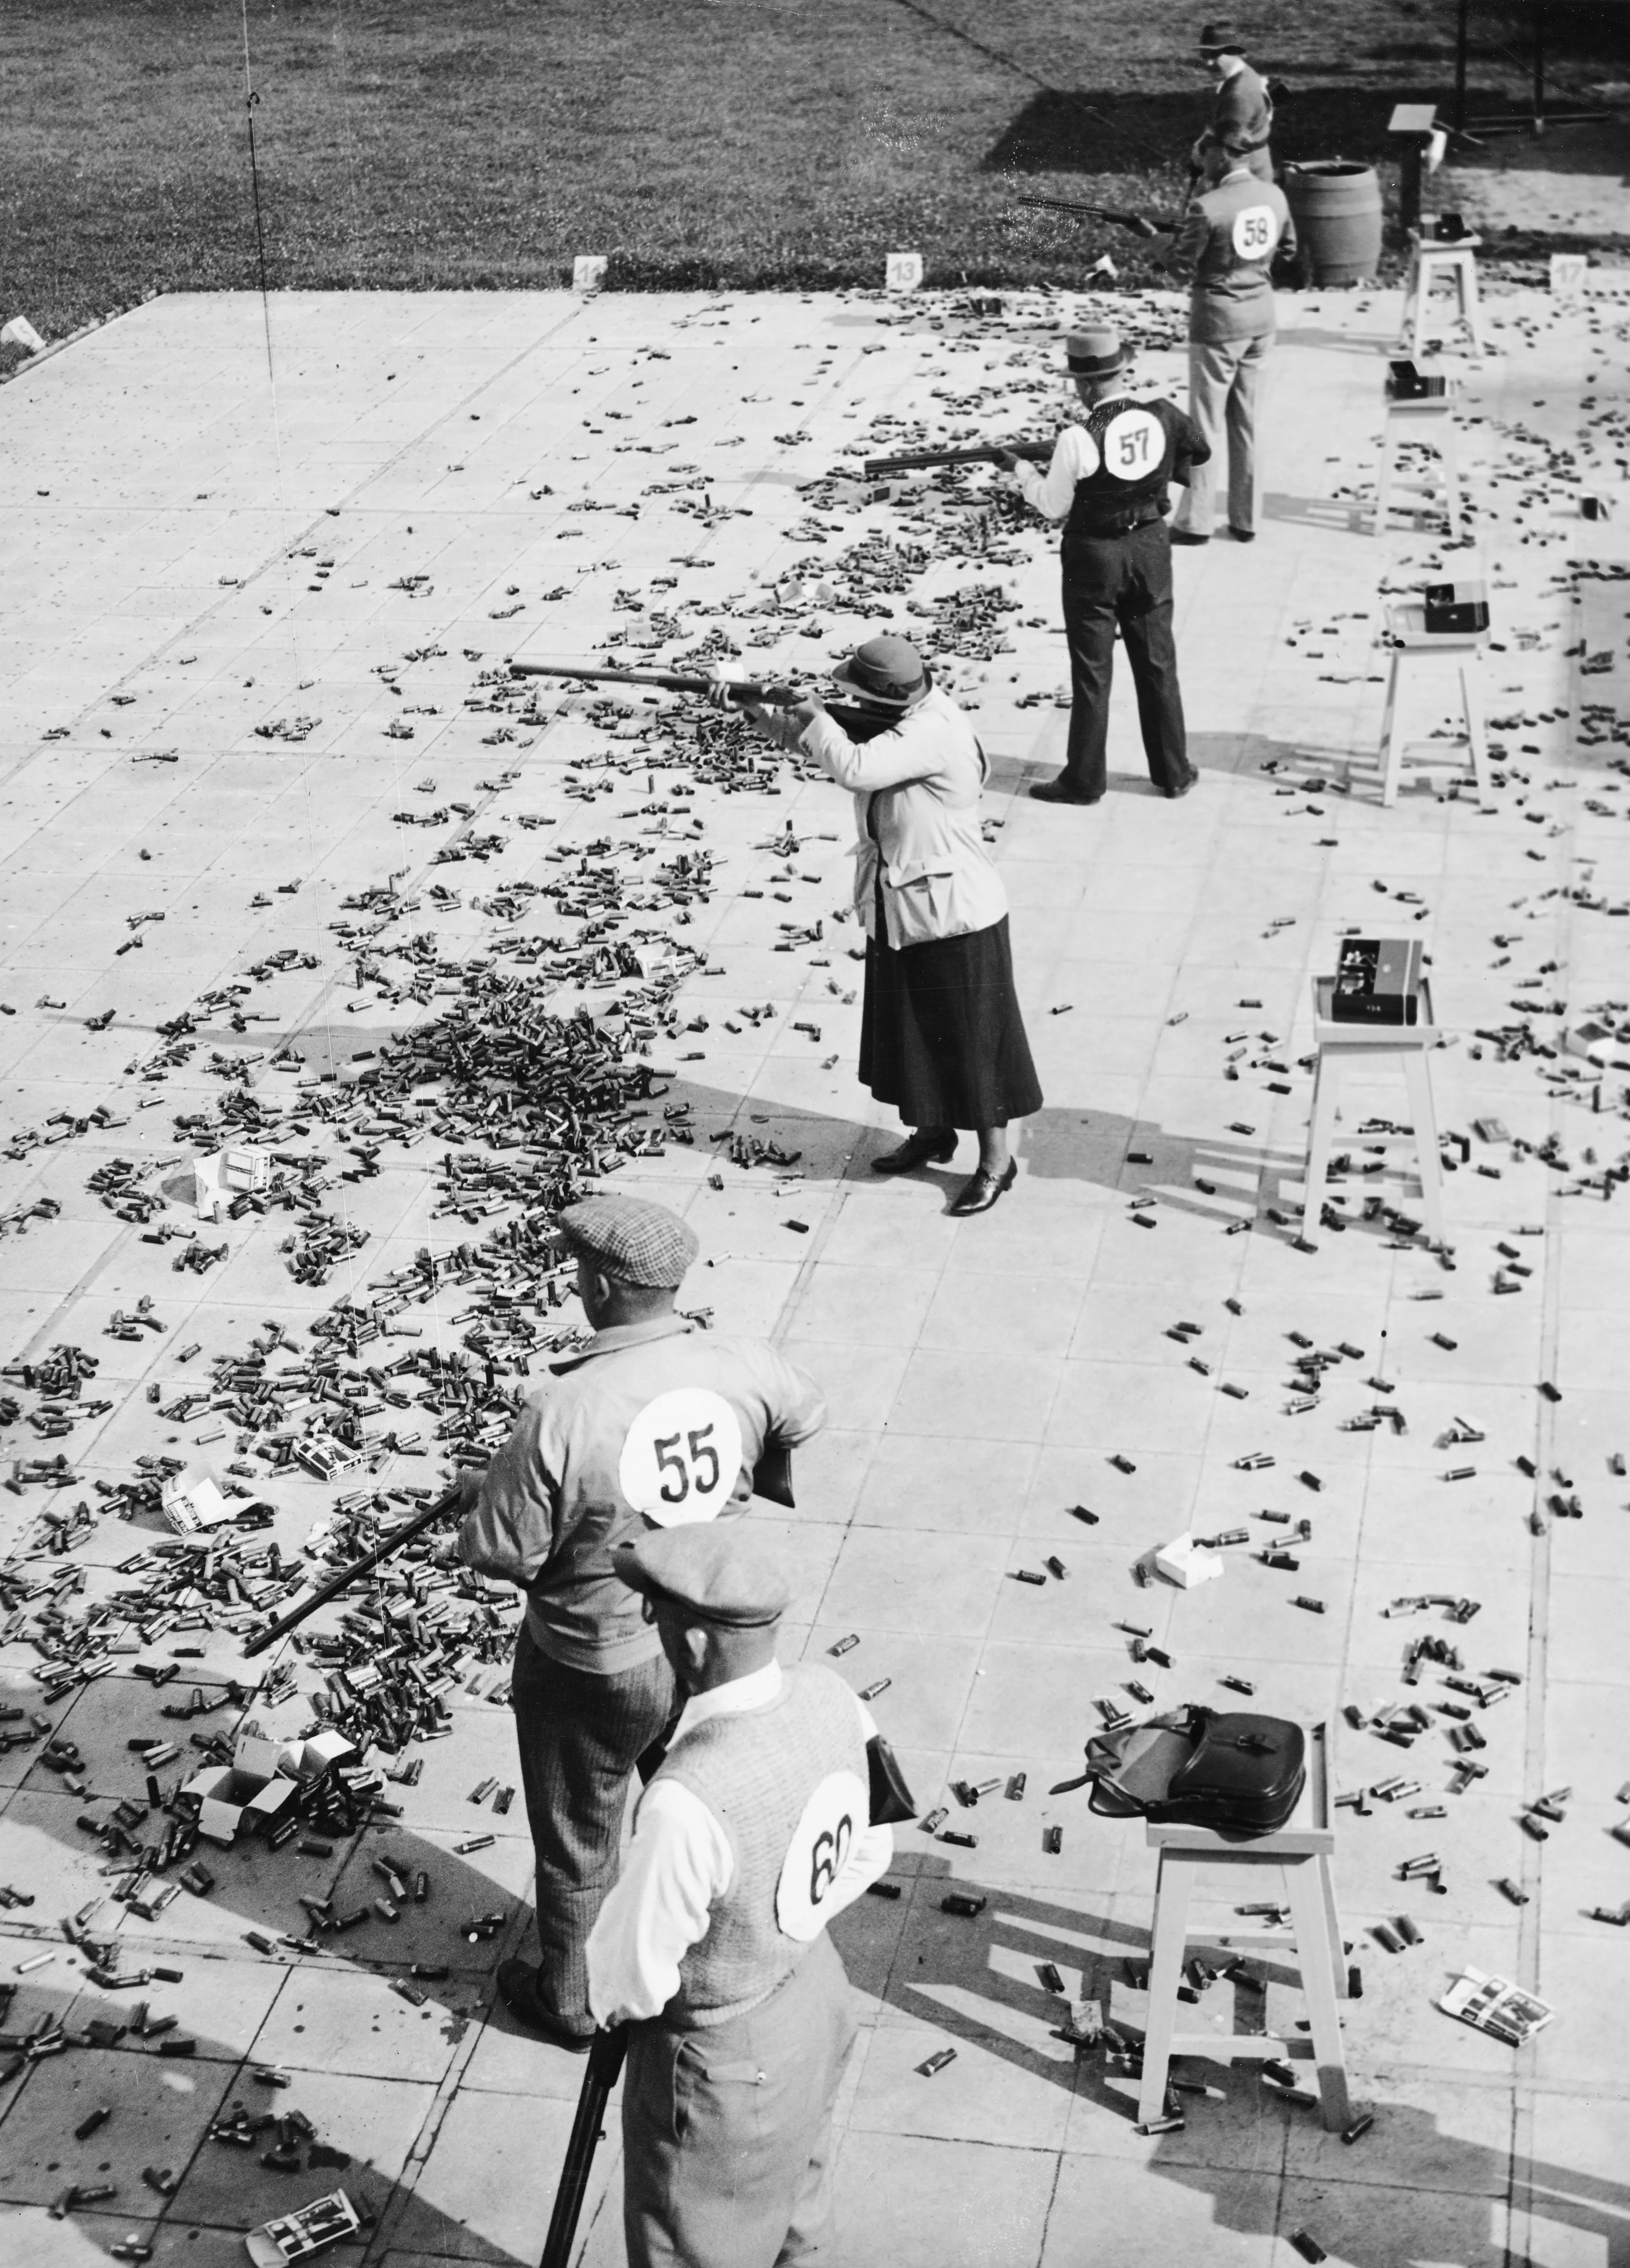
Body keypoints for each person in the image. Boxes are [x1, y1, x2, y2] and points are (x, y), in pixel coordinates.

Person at [457, 1193, 826, 2051]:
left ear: (596, 1284)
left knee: (581, 1832)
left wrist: (492, 1494)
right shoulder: (741, 1359)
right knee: (691, 1799)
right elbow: (802, 1418)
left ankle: (574, 2002)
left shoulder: (563, 1408)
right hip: (706, 1637)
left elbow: (503, 1554)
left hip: (593, 1657)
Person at [587, 1521, 892, 2268]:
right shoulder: (834, 1694)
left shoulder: (688, 1797)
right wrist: (782, 1927)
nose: (651, 1626)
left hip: (723, 2063)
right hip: (816, 1997)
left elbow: (631, 1979)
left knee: (692, 2245)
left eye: (656, 1613)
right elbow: (873, 1848)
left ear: (693, 1645)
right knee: (796, 2205)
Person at [708, 635, 1041, 1217]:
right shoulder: (902, 721)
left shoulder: (933, 730)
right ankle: (933, 1131)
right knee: (914, 1031)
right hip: (901, 908)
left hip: (955, 915)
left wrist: (814, 714)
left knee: (974, 1042)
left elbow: (854, 767)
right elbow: (816, 743)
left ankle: (995, 1162)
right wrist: (754, 709)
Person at [998, 326, 1209, 807]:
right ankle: (1174, 771)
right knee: (1158, 663)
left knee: (1093, 672)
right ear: (1122, 370)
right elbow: (1196, 452)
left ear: (1083, 384)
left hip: (1094, 556)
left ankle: (1086, 780)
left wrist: (1021, 472)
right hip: (1152, 546)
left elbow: (1053, 506)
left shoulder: (1078, 437)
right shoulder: (1163, 415)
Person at [1168, 147, 1295, 544]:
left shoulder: (1207, 207)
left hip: (1219, 324)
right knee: (1245, 423)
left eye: (1203, 156)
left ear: (1221, 156)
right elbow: (1287, 250)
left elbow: (1179, 267)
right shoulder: (1274, 196)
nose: (1200, 165)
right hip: (1261, 319)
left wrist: (1154, 240)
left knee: (1204, 424)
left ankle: (1196, 522)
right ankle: (1246, 519)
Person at [1190, 20, 1275, 186]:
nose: (1208, 63)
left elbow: (1228, 149)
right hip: (1251, 163)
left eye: (1215, 56)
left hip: (1245, 173)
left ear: (1233, 53)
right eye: (1205, 56)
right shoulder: (1243, 74)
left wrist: (1200, 157)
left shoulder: (1238, 94)